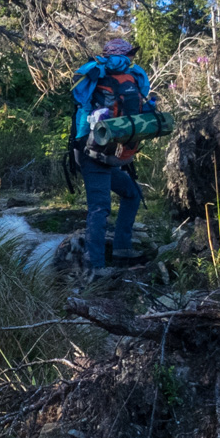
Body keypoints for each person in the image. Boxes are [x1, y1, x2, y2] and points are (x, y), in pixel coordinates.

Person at [70, 36, 154, 278]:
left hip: (93, 151)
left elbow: (81, 110)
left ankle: (121, 251)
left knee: (125, 196)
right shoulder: (131, 77)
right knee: (102, 207)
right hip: (106, 154)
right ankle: (95, 268)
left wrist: (78, 147)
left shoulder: (96, 75)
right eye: (130, 55)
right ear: (125, 55)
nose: (131, 59)